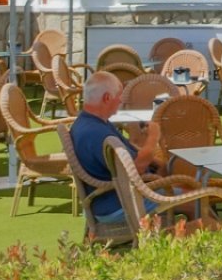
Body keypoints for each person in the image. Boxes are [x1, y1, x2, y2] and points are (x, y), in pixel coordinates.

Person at [70, 71, 166, 223]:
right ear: (107, 98)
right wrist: (153, 136)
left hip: (111, 200)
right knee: (194, 201)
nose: (121, 101)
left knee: (184, 186)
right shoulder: (96, 133)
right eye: (119, 96)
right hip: (120, 204)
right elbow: (135, 169)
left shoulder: (90, 123)